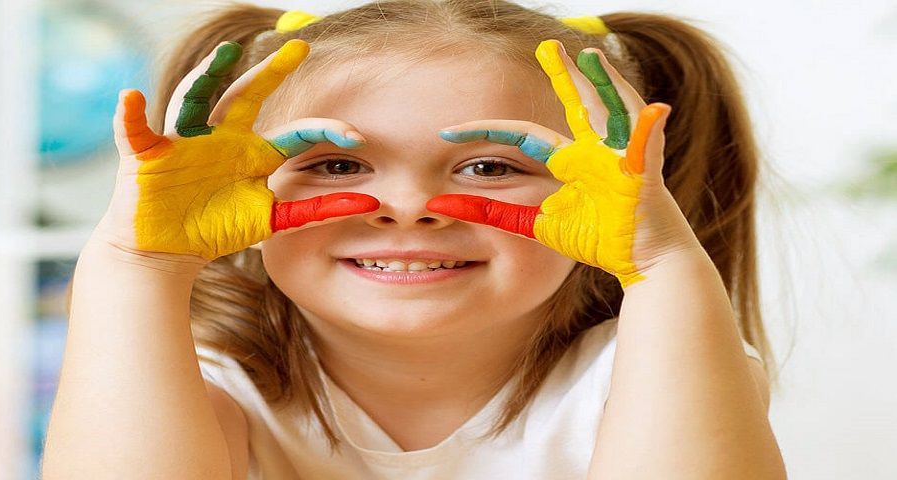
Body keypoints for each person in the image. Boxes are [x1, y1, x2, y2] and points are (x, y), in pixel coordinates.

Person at [42, 1, 786, 478]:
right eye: (335, 163)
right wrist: (138, 262)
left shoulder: (649, 368)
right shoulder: (213, 378)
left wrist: (662, 265)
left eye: (491, 165)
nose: (407, 207)